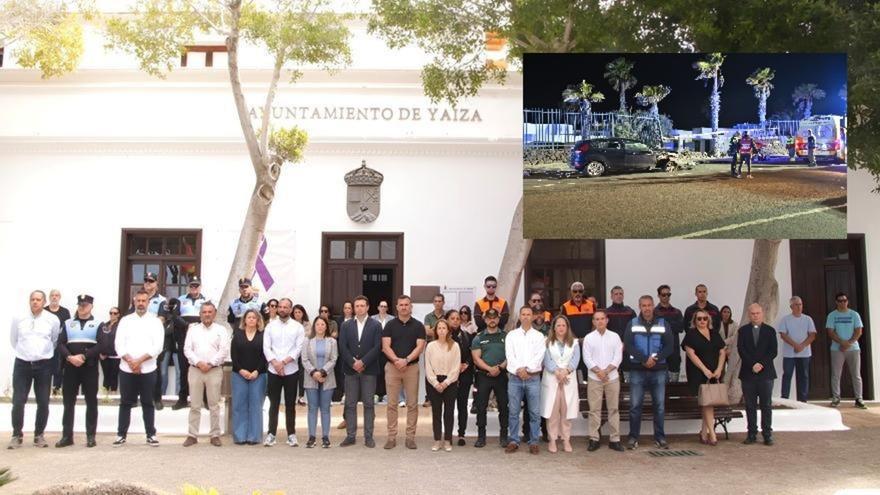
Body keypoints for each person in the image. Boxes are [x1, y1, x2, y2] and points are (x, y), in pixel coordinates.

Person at [8, 290, 61, 449]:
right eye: (32, 299)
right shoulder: (19, 318)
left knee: (43, 402)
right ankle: (17, 435)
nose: (35, 302)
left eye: (38, 299)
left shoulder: (52, 319)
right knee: (18, 401)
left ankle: (39, 435)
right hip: (22, 364)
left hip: (43, 365)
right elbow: (14, 339)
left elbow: (54, 340)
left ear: (44, 302)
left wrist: (41, 353)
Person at [113, 289, 165, 447]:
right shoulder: (125, 320)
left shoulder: (155, 321)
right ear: (134, 301)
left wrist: (140, 361)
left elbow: (158, 346)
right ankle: (121, 434)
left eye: (144, 301)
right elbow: (118, 344)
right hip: (127, 368)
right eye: (138, 301)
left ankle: (151, 434)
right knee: (125, 403)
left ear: (148, 302)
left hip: (148, 369)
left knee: (148, 402)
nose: (141, 303)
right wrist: (131, 361)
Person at [56, 294, 107, 448]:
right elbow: (60, 343)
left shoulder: (99, 323)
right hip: (71, 367)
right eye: (80, 304)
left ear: (91, 306)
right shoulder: (67, 323)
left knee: (91, 402)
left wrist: (84, 356)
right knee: (68, 402)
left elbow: (102, 345)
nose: (82, 307)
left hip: (89, 367)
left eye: (85, 305)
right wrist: (70, 357)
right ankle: (67, 436)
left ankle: (90, 436)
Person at [623, 295, 673, 450]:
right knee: (635, 405)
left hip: (658, 370)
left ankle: (660, 438)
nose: (646, 308)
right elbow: (629, 345)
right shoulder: (632, 323)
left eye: (649, 305)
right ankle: (633, 437)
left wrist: (655, 359)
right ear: (639, 306)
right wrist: (644, 359)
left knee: (659, 406)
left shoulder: (663, 323)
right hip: (637, 370)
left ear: (653, 306)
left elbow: (669, 346)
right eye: (643, 305)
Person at [382, 295, 426, 450]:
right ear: (397, 307)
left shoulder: (419, 326)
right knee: (391, 404)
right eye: (401, 305)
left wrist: (406, 360)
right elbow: (385, 346)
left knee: (412, 404)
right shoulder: (390, 325)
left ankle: (410, 438)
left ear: (411, 307)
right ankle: (391, 437)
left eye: (407, 305)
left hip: (411, 368)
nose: (404, 307)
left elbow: (420, 347)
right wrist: (396, 361)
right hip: (393, 368)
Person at [181, 302, 229, 447]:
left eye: (210, 312)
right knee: (195, 404)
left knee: (214, 404)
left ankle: (215, 434)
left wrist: (210, 363)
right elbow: (187, 349)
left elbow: (224, 350)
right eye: (204, 312)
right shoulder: (193, 330)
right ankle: (192, 435)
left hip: (214, 370)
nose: (207, 314)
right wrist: (199, 363)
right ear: (200, 314)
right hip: (196, 370)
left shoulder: (221, 330)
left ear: (214, 314)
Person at [338, 295, 383, 448]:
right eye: (356, 306)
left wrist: (363, 362)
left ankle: (368, 437)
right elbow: (342, 347)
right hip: (350, 371)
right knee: (350, 404)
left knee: (369, 404)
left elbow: (377, 347)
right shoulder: (346, 325)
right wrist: (353, 362)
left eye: (362, 305)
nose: (359, 308)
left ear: (368, 307)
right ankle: (351, 436)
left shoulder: (376, 325)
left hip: (369, 370)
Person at [262, 298, 306, 447]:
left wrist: (284, 363)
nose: (282, 309)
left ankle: (291, 434)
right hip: (273, 370)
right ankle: (271, 434)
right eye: (280, 307)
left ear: (291, 309)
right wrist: (275, 363)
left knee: (290, 404)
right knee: (273, 404)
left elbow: (298, 348)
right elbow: (266, 347)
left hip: (291, 370)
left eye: (285, 307)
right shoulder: (270, 326)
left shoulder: (297, 327)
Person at [682, 309, 727, 446]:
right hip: (698, 373)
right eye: (699, 319)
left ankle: (703, 433)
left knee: (709, 402)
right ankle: (712, 435)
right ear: (695, 321)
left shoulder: (714, 334)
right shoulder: (691, 335)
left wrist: (719, 369)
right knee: (706, 402)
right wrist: (704, 369)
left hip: (714, 373)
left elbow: (722, 351)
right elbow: (691, 354)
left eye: (704, 319)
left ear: (709, 320)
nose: (702, 321)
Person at [504, 306, 545, 455]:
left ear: (533, 317)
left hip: (533, 378)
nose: (526, 317)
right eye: (523, 314)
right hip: (515, 378)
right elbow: (510, 356)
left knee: (534, 412)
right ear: (520, 317)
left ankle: (534, 441)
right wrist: (519, 370)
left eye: (529, 314)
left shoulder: (539, 336)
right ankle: (513, 440)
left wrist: (527, 370)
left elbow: (539, 356)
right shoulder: (511, 336)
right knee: (513, 411)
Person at [582, 310, 623, 453]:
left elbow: (618, 357)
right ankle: (594, 439)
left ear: (607, 320)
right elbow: (587, 358)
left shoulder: (615, 337)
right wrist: (598, 372)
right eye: (596, 319)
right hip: (594, 378)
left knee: (613, 409)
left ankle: (615, 439)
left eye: (602, 319)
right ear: (593, 321)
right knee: (594, 410)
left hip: (611, 378)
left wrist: (606, 371)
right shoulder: (588, 338)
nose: (599, 321)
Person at [738, 303, 778, 445]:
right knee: (750, 405)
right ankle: (751, 433)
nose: (755, 316)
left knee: (766, 405)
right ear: (749, 315)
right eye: (752, 313)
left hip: (766, 373)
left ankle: (767, 433)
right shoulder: (742, 331)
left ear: (762, 314)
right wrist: (752, 364)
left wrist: (760, 364)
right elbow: (741, 350)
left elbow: (773, 351)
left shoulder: (770, 331)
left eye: (757, 313)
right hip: (748, 374)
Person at [543, 315, 583, 453]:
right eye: (558, 325)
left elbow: (575, 359)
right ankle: (552, 440)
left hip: (568, 379)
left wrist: (565, 371)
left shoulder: (575, 342)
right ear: (554, 327)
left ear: (567, 328)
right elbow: (547, 360)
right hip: (552, 379)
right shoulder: (547, 342)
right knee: (553, 412)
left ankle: (566, 440)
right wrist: (557, 372)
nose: (561, 328)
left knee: (566, 412)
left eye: (563, 325)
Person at [470, 307, 508, 448]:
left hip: (501, 375)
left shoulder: (506, 336)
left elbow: (510, 356)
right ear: (485, 320)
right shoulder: (479, 337)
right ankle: (481, 437)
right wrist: (489, 369)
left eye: (495, 318)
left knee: (504, 406)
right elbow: (476, 358)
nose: (492, 320)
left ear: (498, 319)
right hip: (483, 376)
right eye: (489, 318)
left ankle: (504, 436)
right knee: (481, 406)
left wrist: (499, 368)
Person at [230, 309, 267, 445]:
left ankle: (254, 436)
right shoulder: (238, 334)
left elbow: (265, 355)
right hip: (239, 374)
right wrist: (241, 370)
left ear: (258, 321)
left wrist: (257, 371)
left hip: (258, 375)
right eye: (249, 317)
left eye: (254, 318)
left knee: (256, 405)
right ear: (244, 320)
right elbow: (233, 355)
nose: (251, 319)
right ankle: (240, 436)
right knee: (239, 405)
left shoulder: (263, 335)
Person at [302, 316, 339, 448]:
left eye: (323, 324)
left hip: (327, 378)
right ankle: (312, 437)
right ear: (314, 326)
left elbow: (334, 359)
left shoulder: (332, 342)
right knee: (312, 408)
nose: (320, 327)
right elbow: (304, 360)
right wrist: (314, 373)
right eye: (318, 324)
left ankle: (325, 437)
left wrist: (323, 372)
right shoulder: (307, 341)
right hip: (311, 378)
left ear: (326, 327)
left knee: (325, 409)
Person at [425, 319, 461, 452]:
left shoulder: (454, 346)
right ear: (435, 331)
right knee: (436, 412)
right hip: (434, 382)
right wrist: (435, 383)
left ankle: (448, 440)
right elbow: (428, 367)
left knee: (449, 412)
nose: (441, 330)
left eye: (444, 328)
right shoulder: (430, 346)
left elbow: (456, 367)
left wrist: (446, 383)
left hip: (450, 382)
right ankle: (437, 440)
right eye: (439, 328)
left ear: (448, 330)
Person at [826, 292, 866, 409]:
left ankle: (859, 398)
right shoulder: (832, 315)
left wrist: (849, 343)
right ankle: (836, 397)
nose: (843, 303)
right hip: (837, 349)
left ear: (847, 301)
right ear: (836, 302)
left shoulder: (854, 315)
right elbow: (830, 331)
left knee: (856, 374)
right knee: (836, 374)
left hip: (853, 348)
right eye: (840, 301)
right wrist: (841, 342)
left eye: (844, 300)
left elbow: (858, 331)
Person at [172, 276, 207, 410]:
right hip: (184, 336)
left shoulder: (206, 301)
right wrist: (187, 325)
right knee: (183, 368)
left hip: (200, 337)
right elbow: (175, 317)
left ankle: (204, 398)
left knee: (201, 367)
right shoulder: (181, 300)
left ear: (200, 287)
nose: (194, 288)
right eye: (191, 286)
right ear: (188, 287)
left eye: (196, 286)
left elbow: (208, 316)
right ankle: (182, 398)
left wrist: (197, 325)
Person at [778, 296, 817, 402]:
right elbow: (783, 334)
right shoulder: (785, 319)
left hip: (804, 354)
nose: (799, 307)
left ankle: (803, 400)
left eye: (800, 304)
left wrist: (802, 346)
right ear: (791, 306)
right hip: (789, 354)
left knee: (803, 376)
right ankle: (784, 399)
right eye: (796, 305)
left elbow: (812, 335)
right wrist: (795, 345)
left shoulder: (808, 319)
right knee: (787, 375)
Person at [445, 309, 473, 446]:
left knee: (462, 405)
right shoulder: (443, 337)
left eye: (457, 318)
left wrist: (466, 364)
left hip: (464, 375)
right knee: (449, 406)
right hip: (448, 376)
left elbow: (471, 354)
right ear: (447, 320)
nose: (455, 320)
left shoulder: (467, 336)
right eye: (452, 318)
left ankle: (462, 434)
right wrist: (455, 367)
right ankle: (448, 434)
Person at [655, 285, 685, 383]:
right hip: (659, 350)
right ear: (659, 296)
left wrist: (663, 324)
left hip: (674, 351)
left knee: (674, 383)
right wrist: (672, 325)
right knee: (660, 383)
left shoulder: (677, 312)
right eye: (664, 295)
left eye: (668, 294)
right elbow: (652, 329)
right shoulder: (653, 312)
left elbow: (681, 328)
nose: (666, 297)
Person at [44, 289, 71, 396]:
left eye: (56, 295)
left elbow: (67, 327)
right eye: (52, 295)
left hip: (59, 344)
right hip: (46, 344)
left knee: (58, 367)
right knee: (45, 367)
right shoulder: (44, 310)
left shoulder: (65, 312)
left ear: (59, 297)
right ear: (49, 297)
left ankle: (56, 389)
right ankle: (44, 390)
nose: (54, 297)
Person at [718, 305, 742, 404]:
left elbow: (735, 337)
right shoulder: (717, 324)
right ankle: (720, 393)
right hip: (720, 350)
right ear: (721, 313)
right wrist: (723, 347)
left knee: (732, 371)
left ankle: (732, 391)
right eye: (724, 312)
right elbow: (716, 336)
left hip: (731, 350)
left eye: (728, 312)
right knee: (721, 371)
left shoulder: (735, 324)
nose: (726, 313)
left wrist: (726, 345)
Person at [371, 300, 392, 404]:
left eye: (385, 306)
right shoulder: (372, 319)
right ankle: (375, 394)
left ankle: (385, 394)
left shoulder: (392, 319)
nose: (383, 308)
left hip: (387, 351)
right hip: (375, 350)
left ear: (387, 308)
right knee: (376, 372)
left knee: (386, 373)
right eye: (381, 306)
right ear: (378, 307)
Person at [100, 307, 122, 394]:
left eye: (115, 313)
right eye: (111, 313)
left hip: (115, 356)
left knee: (114, 376)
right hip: (104, 356)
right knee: (106, 376)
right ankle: (104, 397)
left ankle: (113, 396)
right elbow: (100, 339)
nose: (112, 315)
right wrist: (101, 353)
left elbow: (118, 341)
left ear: (118, 315)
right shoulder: (104, 325)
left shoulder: (120, 326)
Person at [292, 304, 311, 406]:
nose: (297, 314)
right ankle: (292, 396)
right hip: (292, 352)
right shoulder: (290, 324)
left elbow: (307, 336)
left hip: (304, 352)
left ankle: (301, 396)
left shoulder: (307, 324)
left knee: (302, 374)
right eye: (295, 312)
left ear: (303, 313)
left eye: (299, 312)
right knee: (292, 374)